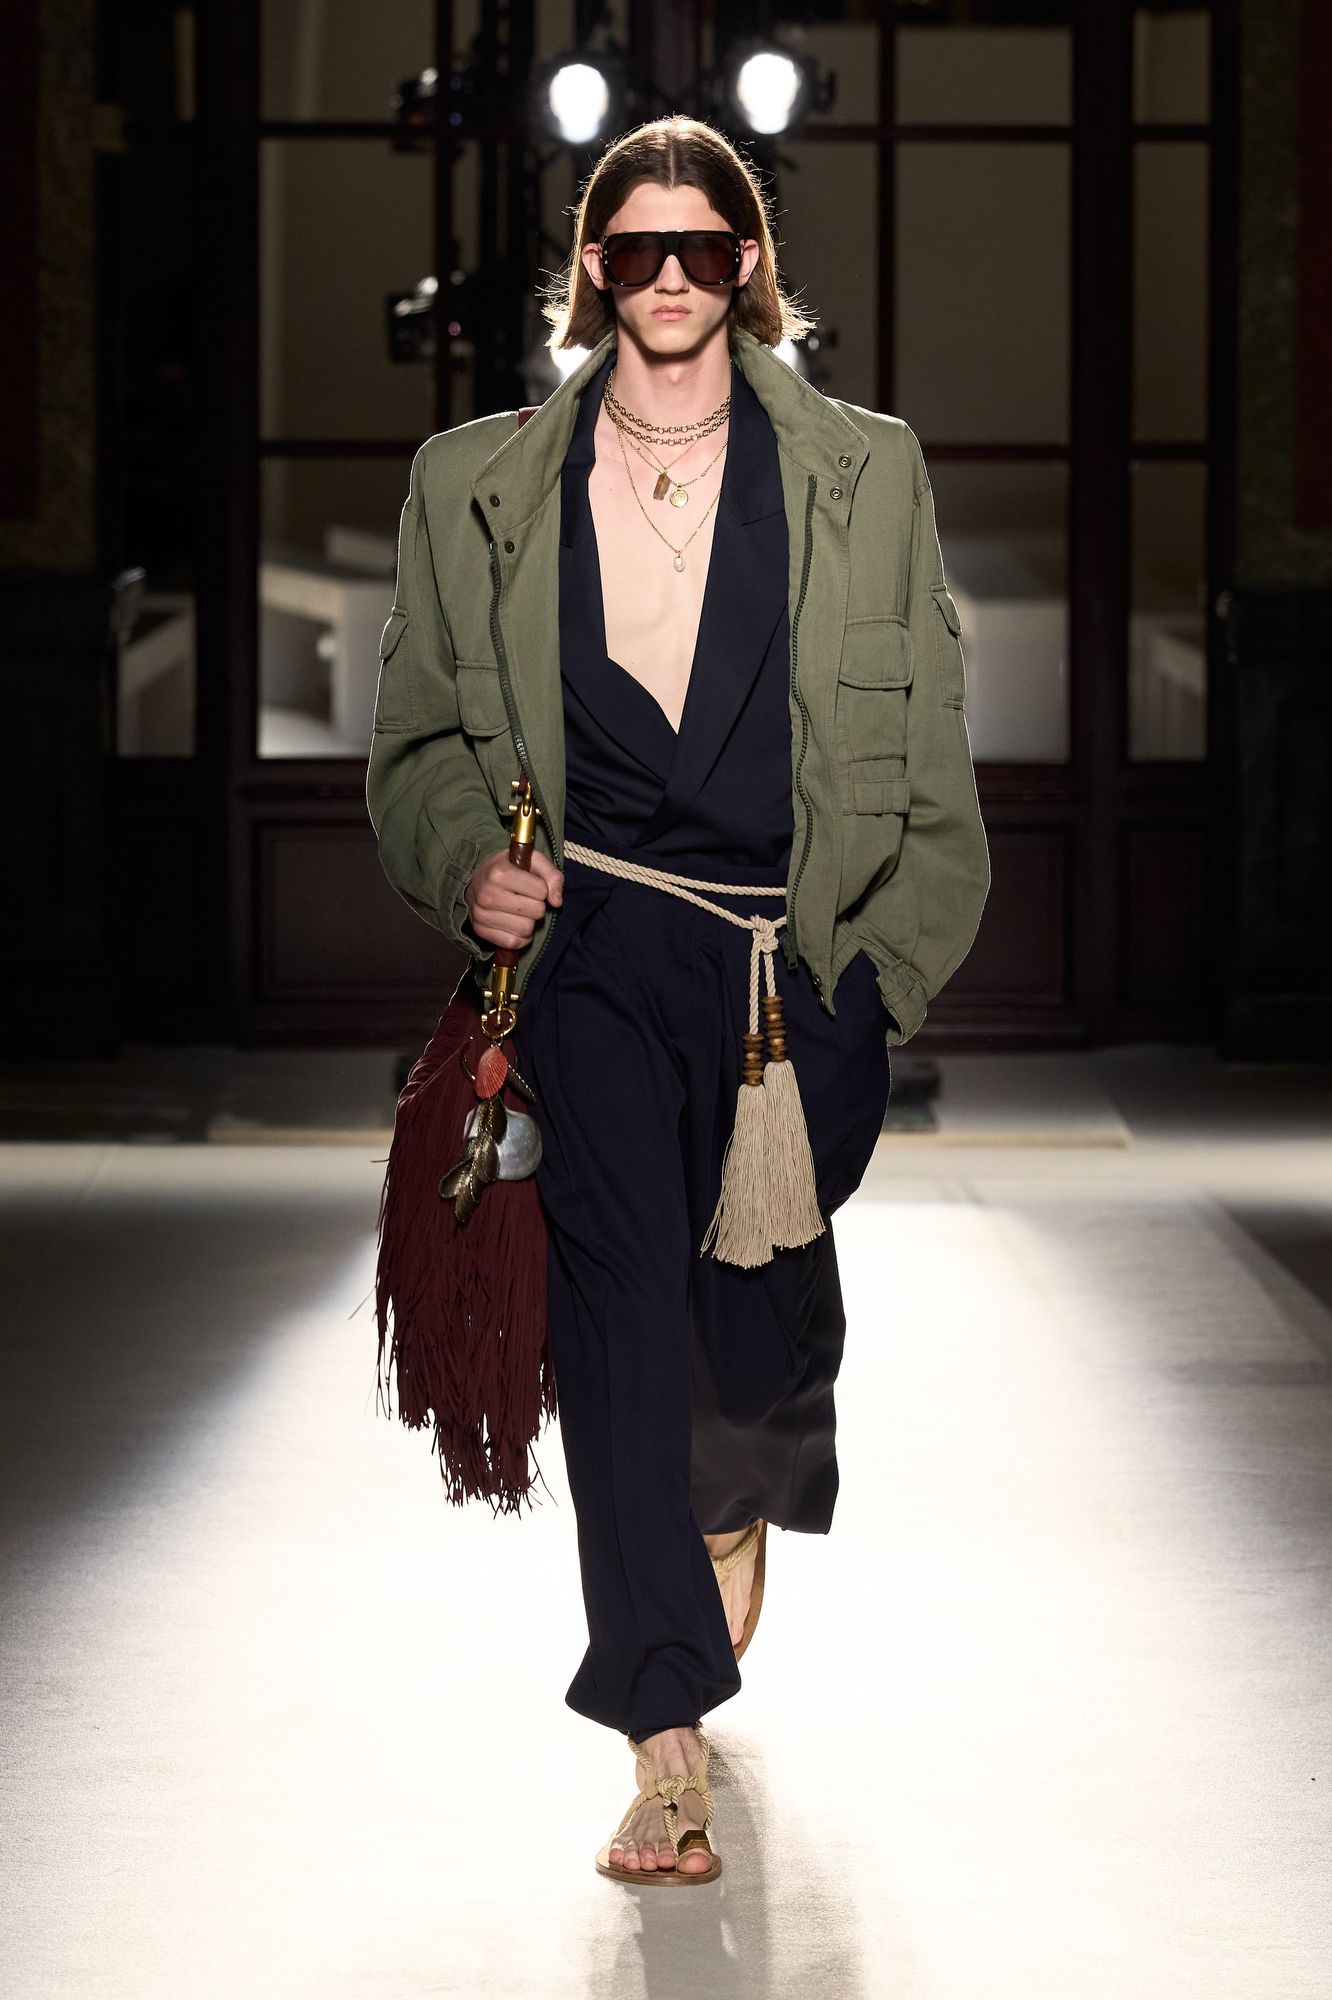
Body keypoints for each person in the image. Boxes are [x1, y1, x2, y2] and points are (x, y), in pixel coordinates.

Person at [366, 113, 989, 1886]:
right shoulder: (477, 486)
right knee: (622, 1322)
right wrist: (465, 868)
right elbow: (418, 746)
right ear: (592, 268)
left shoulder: (865, 474)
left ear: (745, 266)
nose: (664, 278)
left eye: (698, 249)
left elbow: (932, 760)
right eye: (631, 248)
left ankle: (725, 1491)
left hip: (798, 974)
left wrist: (883, 984)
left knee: (750, 1341)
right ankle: (662, 1738)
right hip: (595, 956)